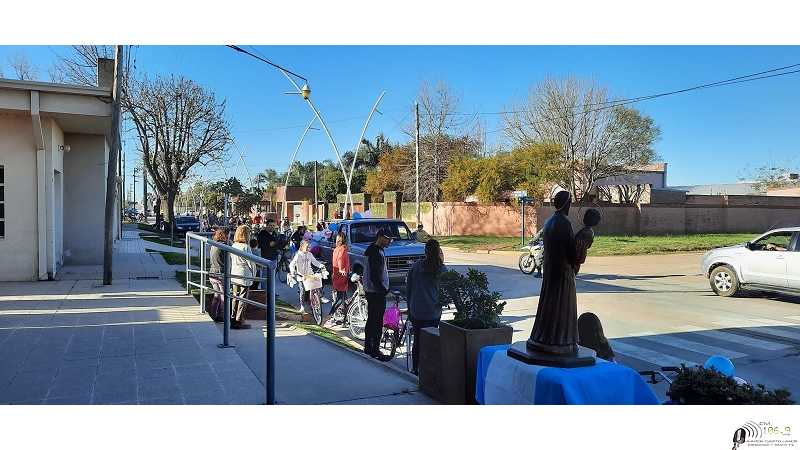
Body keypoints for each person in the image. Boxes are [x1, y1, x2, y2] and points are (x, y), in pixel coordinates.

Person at [527, 190, 579, 355]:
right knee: (561, 308)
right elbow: (572, 252)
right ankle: (560, 341)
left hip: (551, 271)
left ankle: (543, 337)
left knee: (548, 306)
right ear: (566, 204)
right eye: (570, 202)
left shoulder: (549, 221)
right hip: (563, 273)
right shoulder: (564, 223)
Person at [406, 239, 447, 374]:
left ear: (425, 252)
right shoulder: (441, 269)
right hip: (433, 312)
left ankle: (415, 368)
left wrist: (410, 308)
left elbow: (408, 288)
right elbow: (449, 290)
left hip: (417, 311)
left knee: (417, 341)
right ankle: (429, 370)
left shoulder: (416, 266)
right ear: (438, 251)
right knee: (430, 342)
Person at [363, 229, 392, 358]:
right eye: (387, 239)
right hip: (376, 292)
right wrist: (384, 290)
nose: (389, 241)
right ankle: (374, 349)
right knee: (376, 321)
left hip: (371, 291)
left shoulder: (373, 250)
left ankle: (368, 347)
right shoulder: (375, 252)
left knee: (371, 320)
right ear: (380, 237)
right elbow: (375, 276)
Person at [289, 239, 328, 313]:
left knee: (316, 286)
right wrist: (293, 271)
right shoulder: (298, 255)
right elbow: (292, 264)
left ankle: (318, 298)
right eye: (307, 247)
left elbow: (315, 262)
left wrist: (322, 266)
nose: (308, 248)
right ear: (302, 246)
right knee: (302, 291)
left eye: (309, 247)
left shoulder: (310, 254)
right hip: (301, 276)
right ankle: (302, 306)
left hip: (310, 274)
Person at [229, 225, 254, 329]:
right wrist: (253, 274)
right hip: (244, 274)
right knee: (243, 298)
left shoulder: (234, 245)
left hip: (235, 273)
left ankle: (233, 318)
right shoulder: (246, 247)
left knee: (235, 296)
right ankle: (239, 321)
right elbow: (251, 262)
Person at [328, 233, 351, 321]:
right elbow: (340, 259)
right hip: (341, 275)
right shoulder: (342, 249)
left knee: (344, 297)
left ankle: (345, 317)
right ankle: (330, 315)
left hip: (336, 275)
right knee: (340, 298)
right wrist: (342, 269)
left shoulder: (336, 249)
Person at [208, 228, 228, 322]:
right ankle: (222, 315)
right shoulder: (224, 246)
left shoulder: (213, 245)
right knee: (223, 296)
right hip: (221, 273)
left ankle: (213, 314)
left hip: (212, 273)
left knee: (217, 295)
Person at [574, 208, 601, 274]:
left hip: (574, 260)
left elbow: (578, 247)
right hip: (577, 260)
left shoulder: (585, 232)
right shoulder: (589, 232)